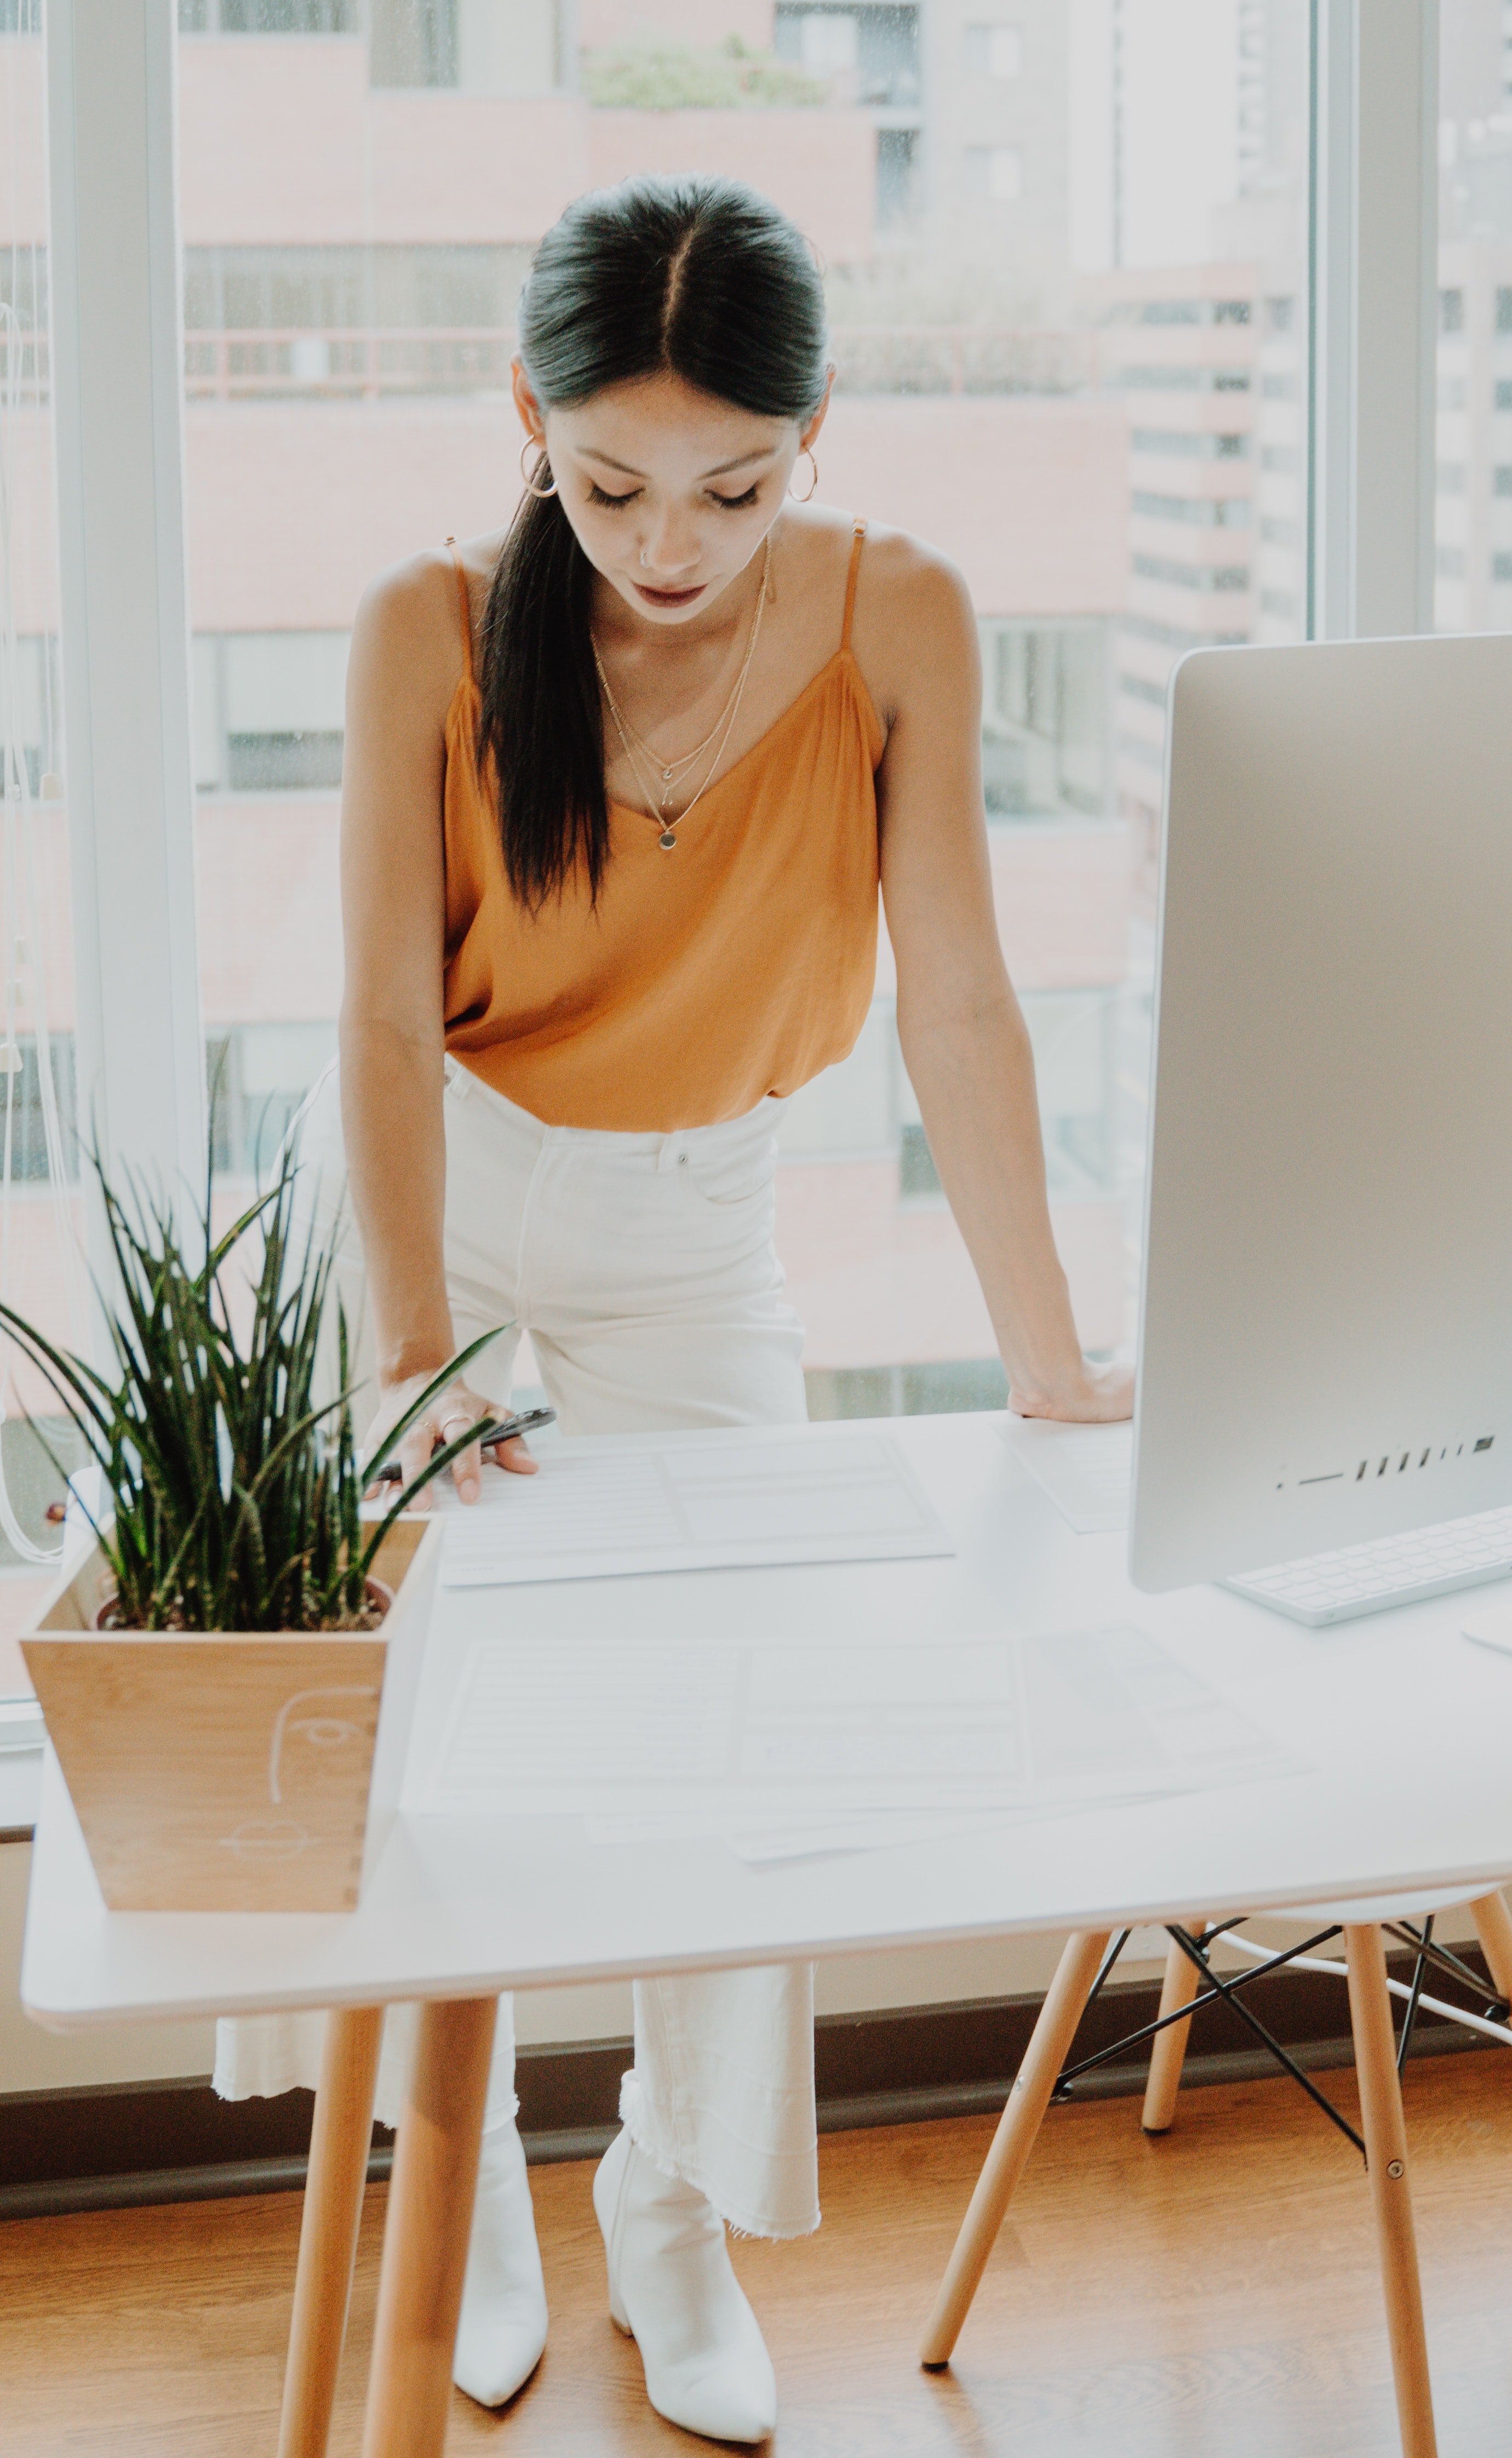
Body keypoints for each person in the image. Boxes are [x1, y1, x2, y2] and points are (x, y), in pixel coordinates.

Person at [213, 175, 1126, 2443]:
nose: (671, 539)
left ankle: (668, 2206)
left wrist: (1050, 1365)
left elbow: (971, 1007)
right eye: (611, 482)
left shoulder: (898, 614)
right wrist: (415, 1358)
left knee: (758, 1730)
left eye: (735, 484)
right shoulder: (422, 626)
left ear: (814, 437)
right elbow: (370, 1032)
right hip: (447, 1203)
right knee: (419, 1730)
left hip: (704, 1219)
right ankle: (477, 2195)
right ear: (526, 417)